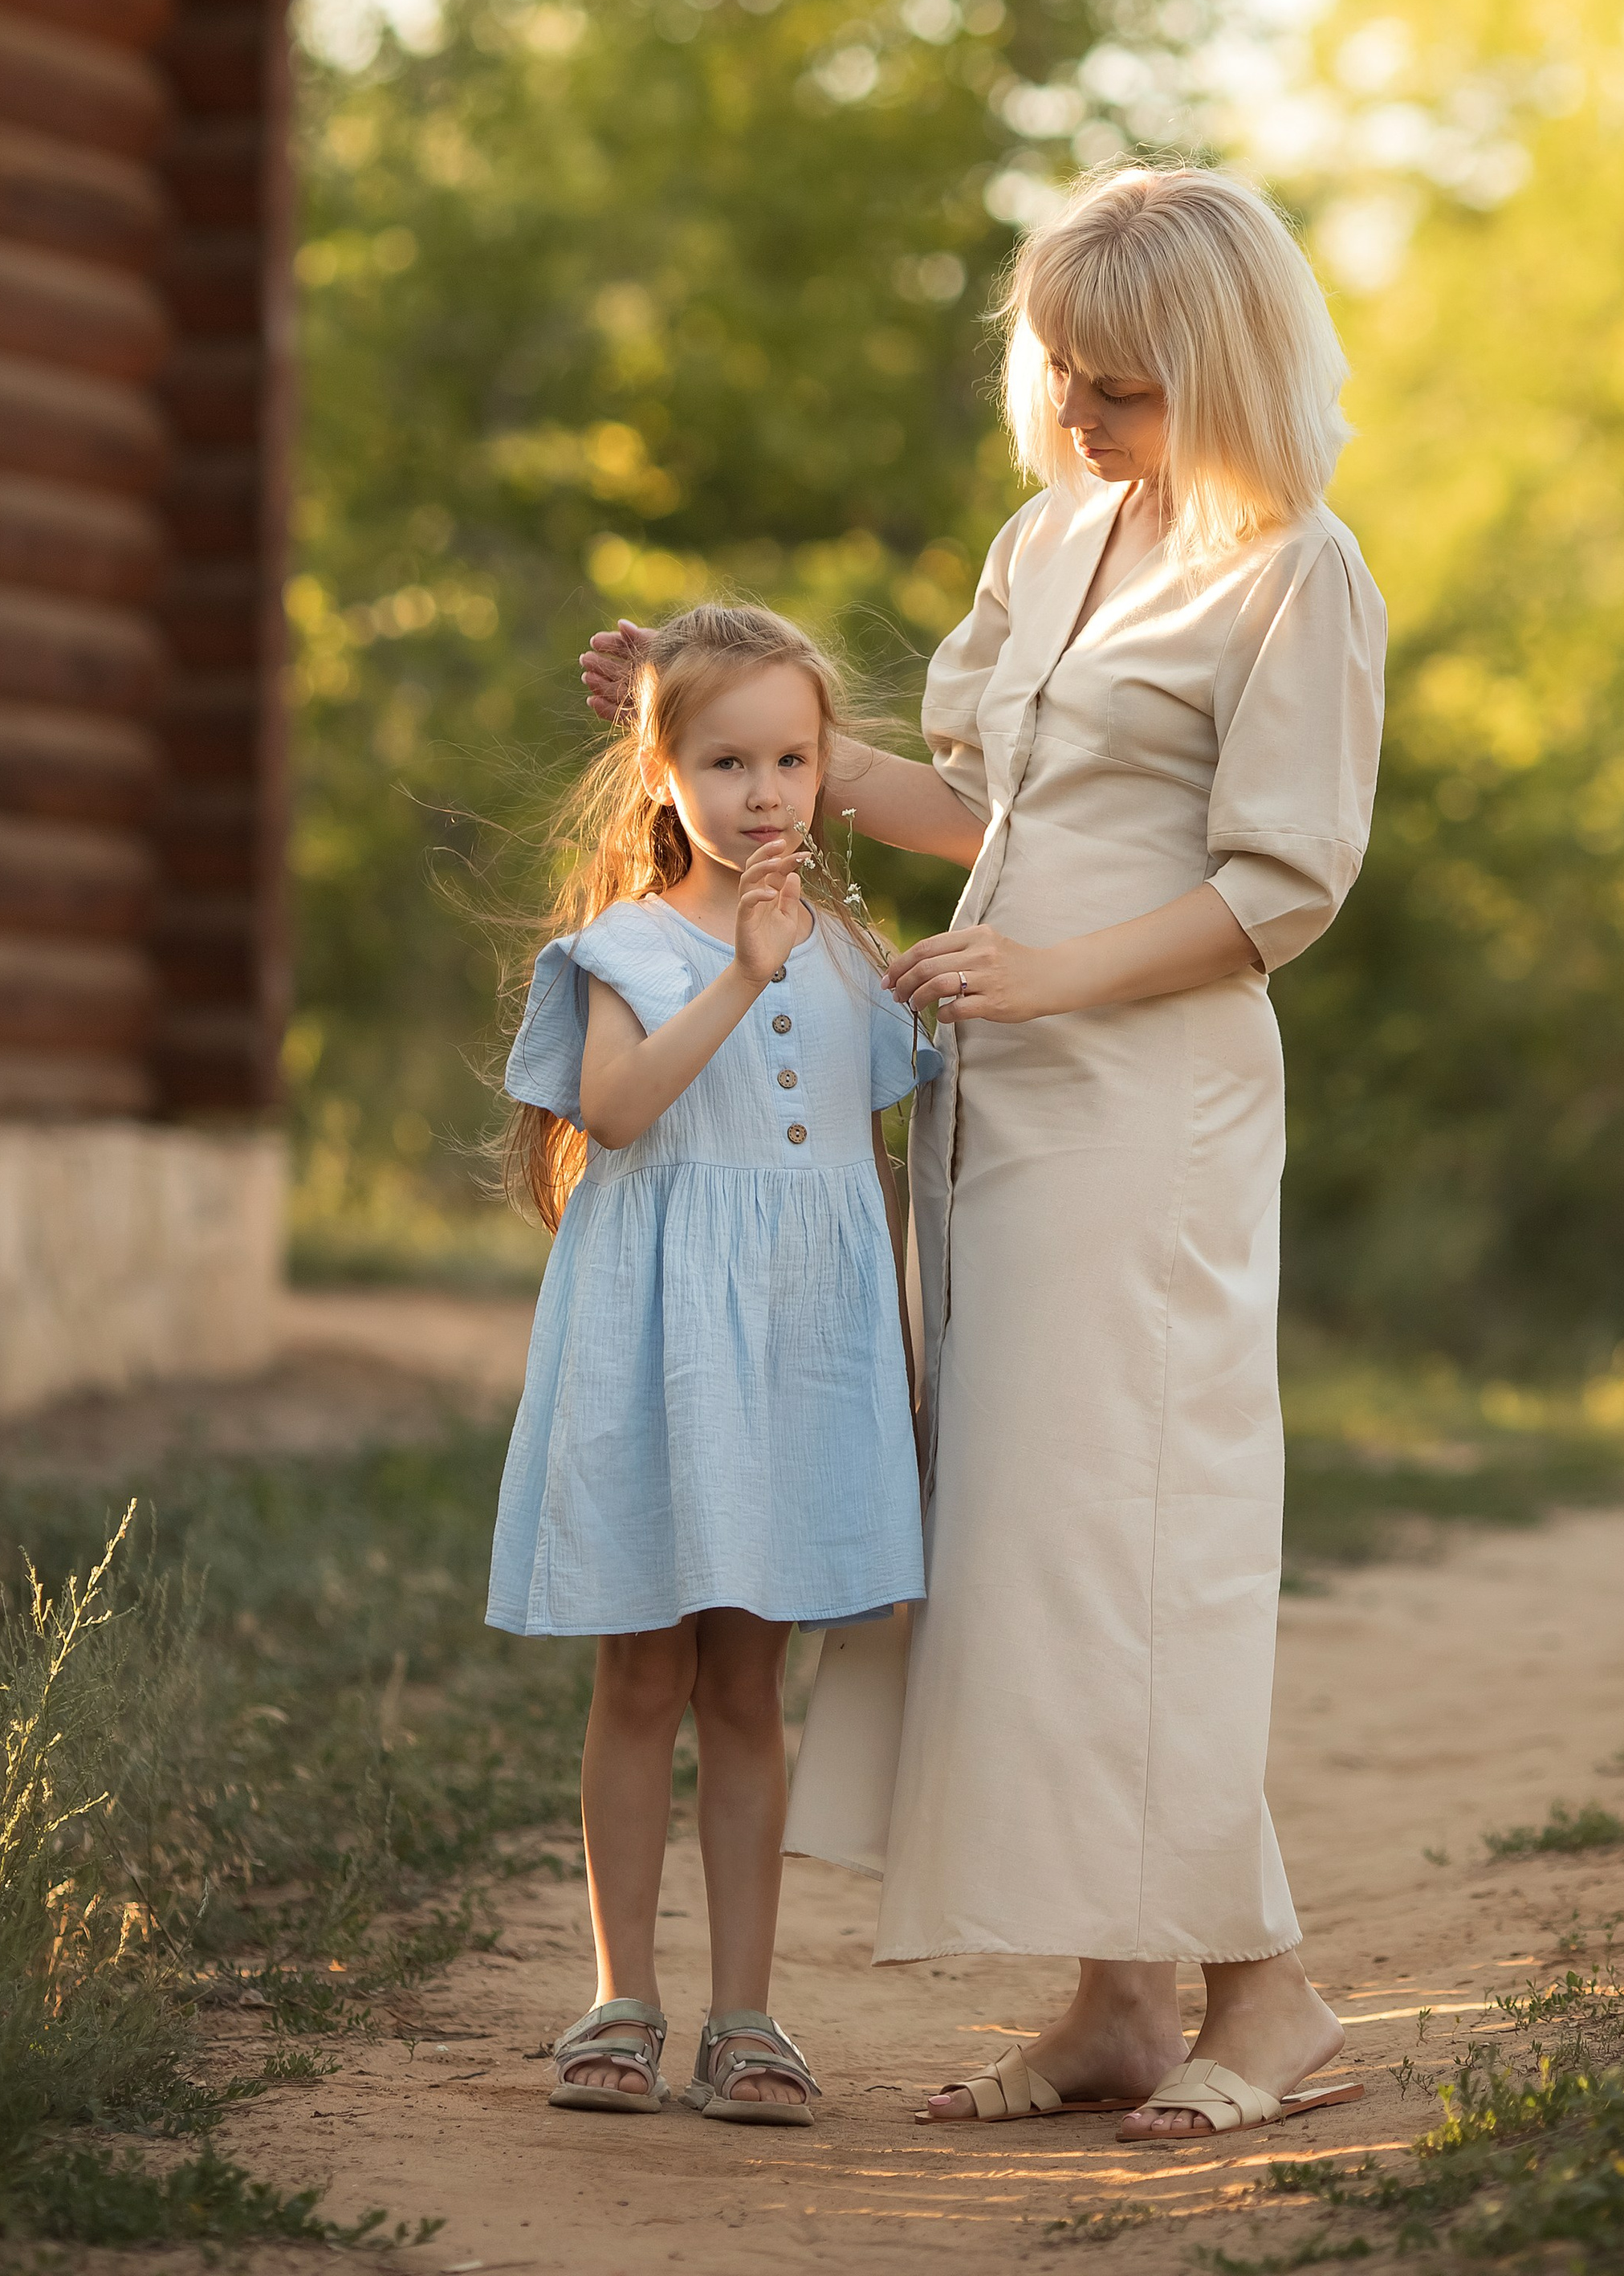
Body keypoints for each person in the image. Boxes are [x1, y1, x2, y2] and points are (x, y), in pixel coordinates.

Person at [583, 165, 1384, 2144]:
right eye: (1062, 385)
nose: (1083, 424)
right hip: (994, 1097)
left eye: (1121, 391)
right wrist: (724, 726)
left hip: (1146, 1099)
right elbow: (968, 802)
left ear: (1220, 364)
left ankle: (1264, 1994)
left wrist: (1048, 982)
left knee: (1134, 1532)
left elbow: (1281, 888)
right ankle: (1117, 1995)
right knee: (1021, 1542)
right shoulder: (1054, 539)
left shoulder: (1296, 573)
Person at [490, 604, 942, 2127]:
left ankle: (747, 2017)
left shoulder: (862, 967)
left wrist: (896, 1357)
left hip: (800, 1364)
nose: (763, 792)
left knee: (750, 1691)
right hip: (657, 1351)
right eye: (727, 758)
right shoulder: (629, 946)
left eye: (793, 760)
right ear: (661, 770)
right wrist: (740, 975)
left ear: (828, 774)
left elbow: (878, 1181)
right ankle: (622, 2002)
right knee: (643, 1676)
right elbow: (613, 1113)